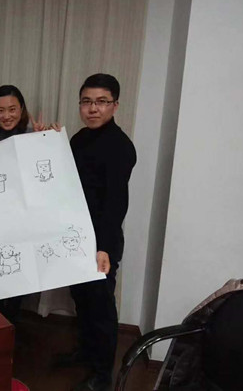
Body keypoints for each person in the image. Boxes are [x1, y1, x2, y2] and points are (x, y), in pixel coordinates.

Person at [63, 74, 137, 391]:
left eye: (101, 102)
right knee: (81, 300)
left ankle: (102, 375)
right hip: (74, 236)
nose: (93, 108)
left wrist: (103, 247)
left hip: (101, 243)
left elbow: (116, 204)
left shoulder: (120, 146)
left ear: (115, 105)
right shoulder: (79, 139)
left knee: (101, 307)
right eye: (87, 101)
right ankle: (86, 352)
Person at [0, 85, 56, 322]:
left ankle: (11, 324)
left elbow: (50, 176)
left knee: (22, 277)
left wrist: (47, 141)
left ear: (21, 110)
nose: (6, 115)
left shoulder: (34, 134)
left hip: (28, 221)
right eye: (0, 110)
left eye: (12, 109)